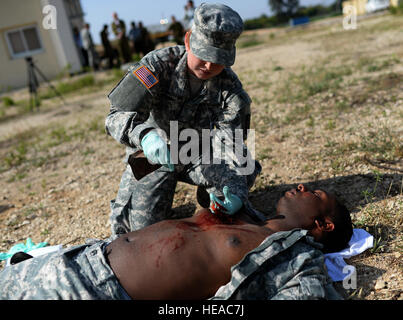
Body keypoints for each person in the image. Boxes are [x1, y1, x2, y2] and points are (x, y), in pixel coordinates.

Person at [0, 184, 353, 300]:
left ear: (323, 223)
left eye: (316, 193)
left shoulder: (300, 258)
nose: (304, 187)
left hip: (93, 292)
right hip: (78, 260)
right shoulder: (247, 213)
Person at [105, 3, 262, 239]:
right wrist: (145, 136)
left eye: (218, 59)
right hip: (157, 155)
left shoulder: (232, 92)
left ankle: (208, 195)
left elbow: (233, 148)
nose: (209, 66)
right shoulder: (156, 66)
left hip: (200, 154)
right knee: (140, 233)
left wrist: (237, 193)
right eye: (205, 55)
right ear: (188, 41)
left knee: (235, 190)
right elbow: (115, 115)